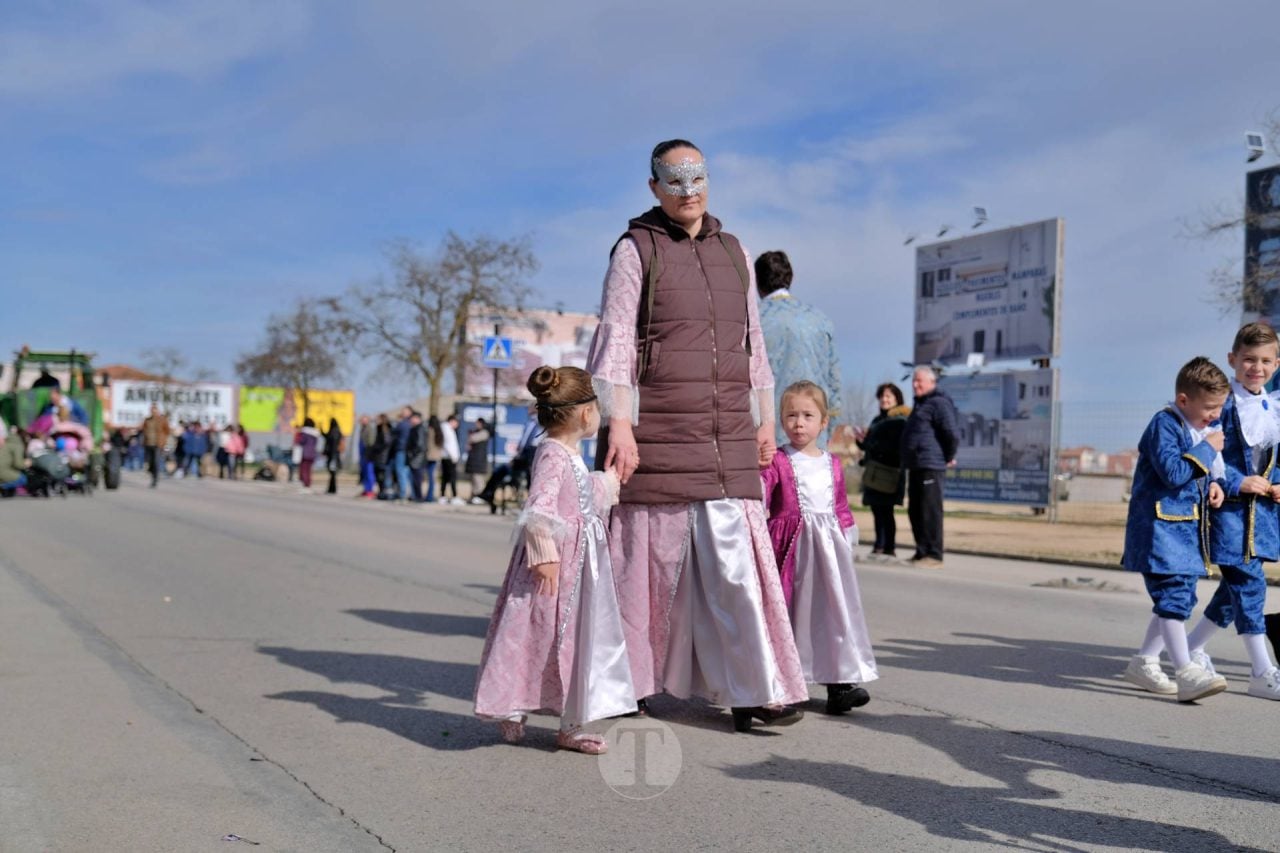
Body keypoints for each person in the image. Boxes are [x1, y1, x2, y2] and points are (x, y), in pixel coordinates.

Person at [585, 138, 806, 731]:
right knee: (643, 573)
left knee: (737, 570)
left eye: (698, 178)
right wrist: (622, 426)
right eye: (674, 181)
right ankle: (624, 682)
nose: (688, 192)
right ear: (654, 187)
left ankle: (755, 689)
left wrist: (763, 419)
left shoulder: (735, 251)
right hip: (657, 432)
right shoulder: (636, 250)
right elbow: (614, 341)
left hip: (728, 432)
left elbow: (753, 345)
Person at [473, 366, 634, 753]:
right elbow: (540, 506)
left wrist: (607, 482)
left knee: (575, 640)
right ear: (585, 413)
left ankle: (571, 723)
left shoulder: (568, 455)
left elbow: (578, 496)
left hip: (582, 568)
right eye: (598, 407)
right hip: (556, 566)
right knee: (534, 635)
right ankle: (512, 705)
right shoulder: (552, 454)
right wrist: (544, 555)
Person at [761, 381, 878, 715]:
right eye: (791, 415)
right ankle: (781, 681)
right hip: (789, 552)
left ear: (824, 422)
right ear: (782, 421)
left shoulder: (833, 464)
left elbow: (840, 506)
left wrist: (847, 532)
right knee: (787, 613)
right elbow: (764, 492)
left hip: (827, 554)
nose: (799, 422)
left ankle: (838, 684)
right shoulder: (779, 460)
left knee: (831, 614)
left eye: (808, 415)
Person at [1119, 356, 1230, 703]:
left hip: (1184, 532)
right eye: (1210, 408)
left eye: (1219, 408)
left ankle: (1145, 661)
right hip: (1158, 532)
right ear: (1184, 400)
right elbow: (1174, 473)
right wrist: (1206, 449)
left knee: (1180, 597)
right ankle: (1186, 671)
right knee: (1173, 597)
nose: (1215, 415)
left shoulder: (1197, 429)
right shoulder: (1164, 424)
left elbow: (1197, 473)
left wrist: (1216, 482)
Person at [1179, 323, 1280, 700]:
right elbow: (1209, 449)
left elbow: (1273, 458)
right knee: (1251, 584)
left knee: (1234, 588)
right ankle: (1262, 670)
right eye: (1249, 359)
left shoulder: (1274, 406)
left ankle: (1189, 648)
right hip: (1226, 511)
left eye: (1265, 361)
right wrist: (1238, 481)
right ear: (1232, 360)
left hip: (1262, 514)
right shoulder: (1222, 403)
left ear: (1276, 363)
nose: (1257, 367)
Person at [755, 250, 844, 445]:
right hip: (814, 436)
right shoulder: (819, 319)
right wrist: (827, 427)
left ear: (757, 282)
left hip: (766, 440)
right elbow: (834, 380)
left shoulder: (753, 320)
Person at [900, 366, 959, 568]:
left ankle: (934, 555)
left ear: (932, 383)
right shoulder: (920, 405)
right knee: (915, 511)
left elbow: (951, 433)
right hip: (916, 465)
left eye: (920, 381)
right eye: (914, 381)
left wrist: (948, 456)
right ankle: (921, 551)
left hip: (931, 465)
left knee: (930, 510)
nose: (915, 385)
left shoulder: (939, 403)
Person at [854, 383, 911, 558]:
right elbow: (869, 445)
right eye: (882, 397)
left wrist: (872, 444)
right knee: (876, 510)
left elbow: (890, 446)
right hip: (874, 472)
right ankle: (879, 544)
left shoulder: (900, 419)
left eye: (889, 396)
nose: (884, 400)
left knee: (887, 510)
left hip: (889, 472)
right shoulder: (877, 420)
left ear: (897, 399)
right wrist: (860, 440)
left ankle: (889, 546)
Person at [140, 405, 170, 488]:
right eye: (152, 411)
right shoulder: (147, 420)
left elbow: (167, 431)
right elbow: (143, 429)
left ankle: (155, 479)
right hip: (148, 444)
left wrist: (164, 441)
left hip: (158, 444)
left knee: (156, 461)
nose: (153, 412)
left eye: (154, 411)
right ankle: (152, 472)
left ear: (157, 411)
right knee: (149, 462)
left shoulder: (162, 420)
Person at [465, 417, 491, 503]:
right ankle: (474, 497)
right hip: (474, 460)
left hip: (479, 461)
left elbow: (472, 438)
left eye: (478, 423)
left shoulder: (484, 433)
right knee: (473, 480)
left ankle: (481, 496)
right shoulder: (476, 431)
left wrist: (471, 436)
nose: (476, 425)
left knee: (478, 480)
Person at [293, 418, 321, 493]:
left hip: (305, 453)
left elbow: (301, 441)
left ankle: (305, 484)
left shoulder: (304, 432)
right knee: (309, 470)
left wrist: (298, 433)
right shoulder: (315, 433)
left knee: (304, 469)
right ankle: (308, 483)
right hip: (313, 453)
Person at [404, 411, 427, 502]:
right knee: (414, 479)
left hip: (417, 459)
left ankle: (419, 496)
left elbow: (420, 445)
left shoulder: (419, 429)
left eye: (412, 418)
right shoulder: (414, 429)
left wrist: (412, 454)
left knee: (417, 479)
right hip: (415, 458)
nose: (411, 420)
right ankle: (416, 496)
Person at [440, 414, 462, 504]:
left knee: (446, 477)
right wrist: (453, 456)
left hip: (448, 457)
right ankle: (454, 496)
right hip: (449, 457)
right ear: (452, 421)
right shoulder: (447, 429)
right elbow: (448, 445)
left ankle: (443, 495)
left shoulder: (449, 429)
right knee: (451, 477)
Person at [0, 429, 28, 496]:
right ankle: (2, 487)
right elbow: (18, 464)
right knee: (23, 479)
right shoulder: (17, 445)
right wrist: (26, 464)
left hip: (3, 469)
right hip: (2, 471)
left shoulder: (6, 443)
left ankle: (5, 489)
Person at [424, 415, 444, 503]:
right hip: (437, 456)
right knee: (433, 477)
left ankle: (430, 496)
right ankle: (430, 495)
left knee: (430, 477)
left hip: (430, 456)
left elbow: (427, 444)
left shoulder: (430, 431)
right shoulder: (439, 431)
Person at [371, 413, 392, 499]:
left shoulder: (385, 430)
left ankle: (383, 492)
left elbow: (386, 443)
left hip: (382, 456)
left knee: (382, 475)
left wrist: (376, 448)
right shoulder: (378, 429)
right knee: (378, 475)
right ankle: (381, 492)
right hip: (379, 456)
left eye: (378, 419)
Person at [323, 417, 344, 495]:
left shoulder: (334, 432)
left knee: (333, 473)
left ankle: (332, 488)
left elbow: (332, 445)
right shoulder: (335, 432)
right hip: (334, 455)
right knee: (333, 473)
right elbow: (326, 436)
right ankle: (332, 488)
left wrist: (331, 455)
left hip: (333, 456)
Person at [357, 415, 376, 498]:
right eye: (362, 420)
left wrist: (369, 453)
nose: (363, 422)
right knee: (364, 473)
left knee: (369, 473)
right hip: (363, 454)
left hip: (368, 454)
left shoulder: (370, 429)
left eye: (364, 420)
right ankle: (365, 489)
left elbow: (371, 443)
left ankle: (370, 490)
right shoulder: (362, 429)